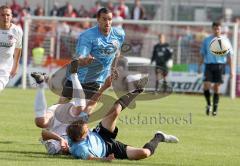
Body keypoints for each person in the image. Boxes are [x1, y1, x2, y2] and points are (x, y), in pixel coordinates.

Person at [66, 81, 179, 161]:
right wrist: (106, 159)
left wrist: (104, 87)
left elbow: (90, 106)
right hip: (110, 149)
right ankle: (160, 136)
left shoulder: (77, 126)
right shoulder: (80, 148)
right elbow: (91, 158)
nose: (87, 128)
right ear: (81, 138)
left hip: (100, 134)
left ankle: (137, 90)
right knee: (144, 153)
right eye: (86, 131)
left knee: (115, 111)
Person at [31, 60, 112, 155]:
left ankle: (40, 84)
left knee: (41, 122)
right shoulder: (79, 140)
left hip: (56, 117)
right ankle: (74, 75)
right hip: (72, 113)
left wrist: (60, 139)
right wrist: (105, 87)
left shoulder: (54, 149)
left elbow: (44, 133)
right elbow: (91, 104)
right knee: (81, 109)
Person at [59, 7, 125, 103]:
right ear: (98, 20)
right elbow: (81, 56)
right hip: (79, 76)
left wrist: (113, 68)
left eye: (109, 19)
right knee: (60, 105)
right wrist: (84, 60)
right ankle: (46, 117)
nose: (107, 22)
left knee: (87, 110)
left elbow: (117, 52)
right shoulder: (87, 36)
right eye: (104, 19)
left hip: (97, 80)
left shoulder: (119, 34)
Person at [200, 21, 233, 116]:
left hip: (220, 65)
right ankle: (208, 104)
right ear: (212, 29)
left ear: (221, 29)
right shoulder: (207, 40)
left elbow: (230, 56)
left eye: (218, 28)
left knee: (216, 87)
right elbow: (202, 53)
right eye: (215, 29)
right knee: (206, 85)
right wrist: (199, 65)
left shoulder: (225, 40)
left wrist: (232, 71)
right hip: (209, 65)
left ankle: (215, 108)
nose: (216, 30)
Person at [0, 5, 23, 92]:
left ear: (11, 16)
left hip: (4, 70)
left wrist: (16, 66)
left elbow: (18, 48)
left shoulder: (17, 31)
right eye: (2, 15)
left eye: (8, 15)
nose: (5, 17)